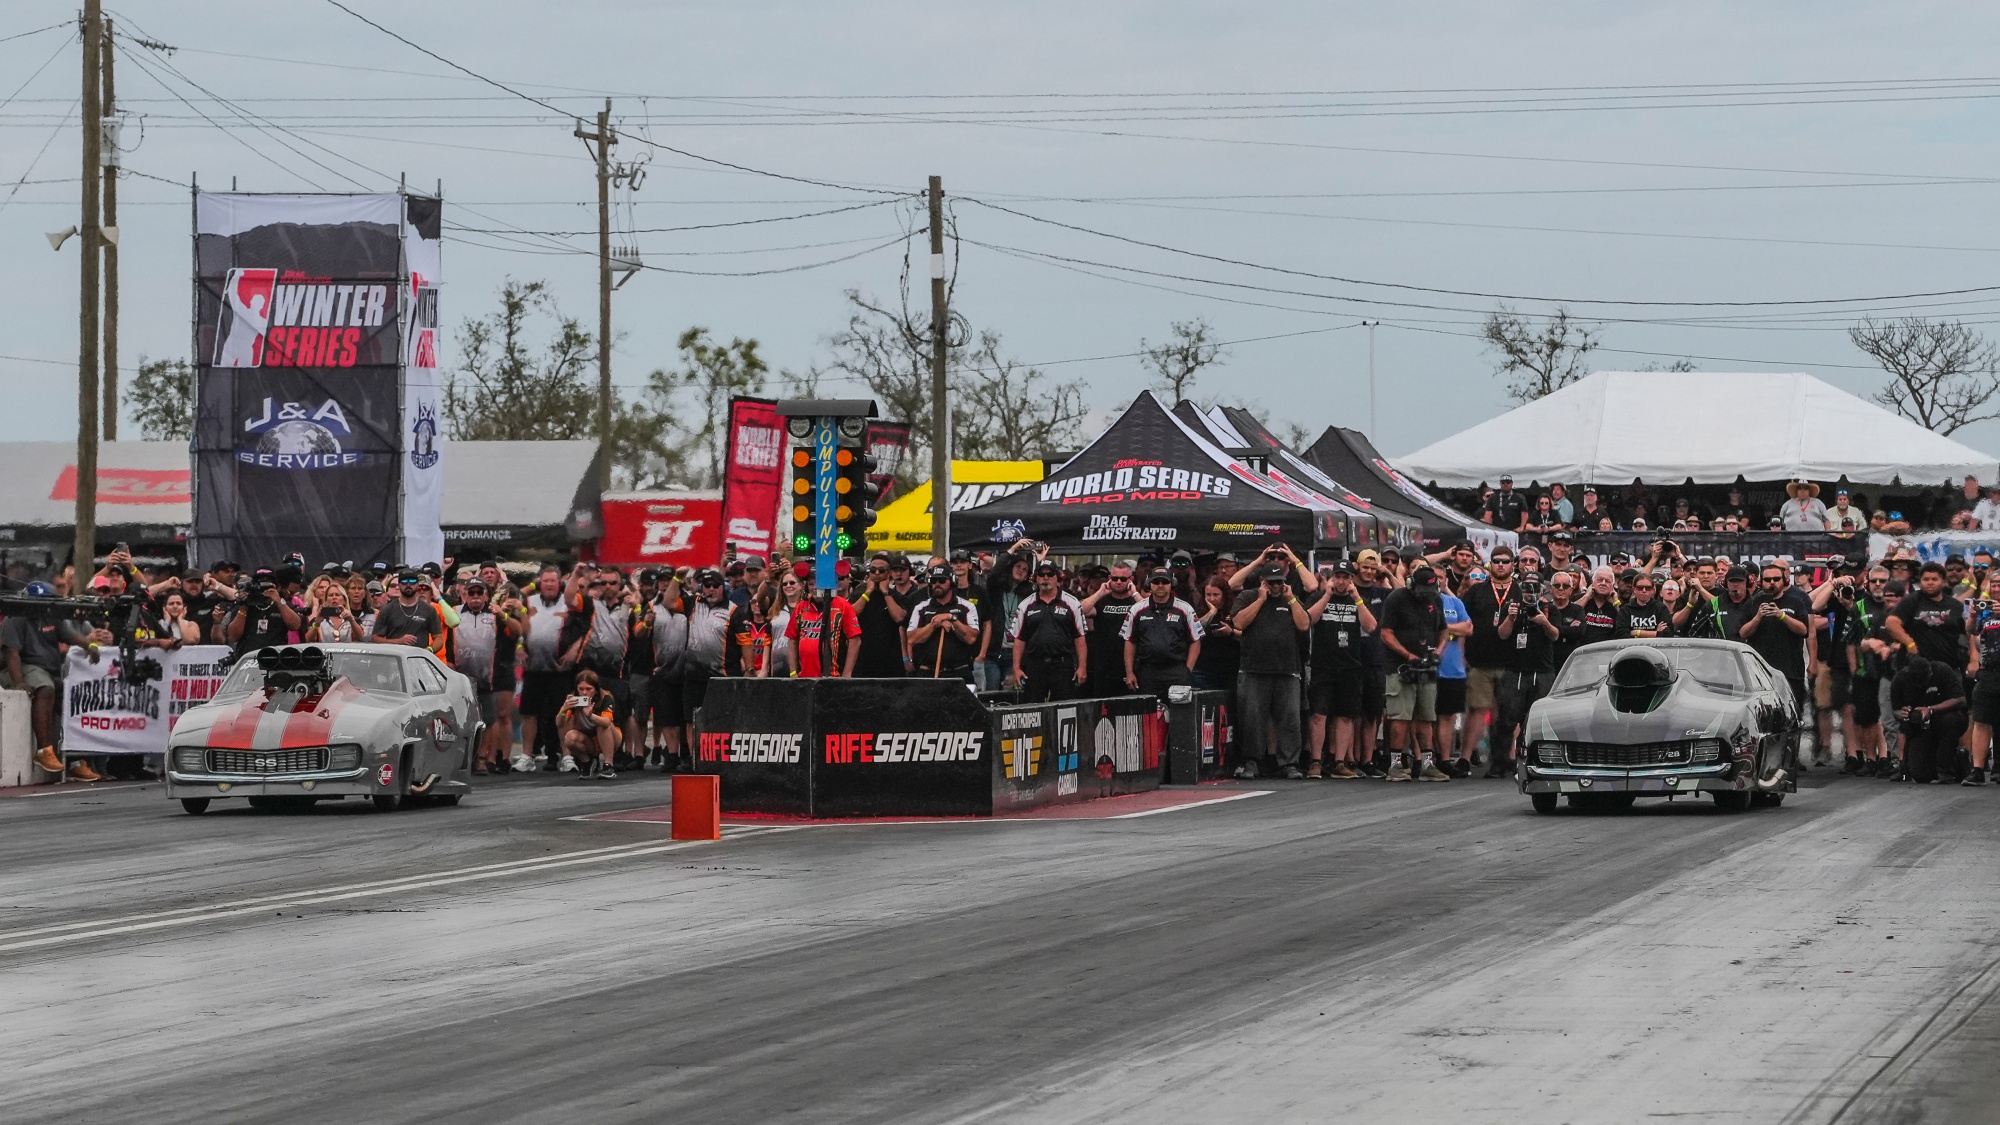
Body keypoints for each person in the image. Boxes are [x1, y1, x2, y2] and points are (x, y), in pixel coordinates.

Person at [1231, 562, 1312, 779]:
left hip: (1287, 669)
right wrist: (1260, 599)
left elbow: (1304, 625)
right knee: (1253, 720)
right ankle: (1252, 762)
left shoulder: (1290, 599)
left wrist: (1291, 599)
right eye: (1271, 582)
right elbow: (1239, 623)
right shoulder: (1248, 596)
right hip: (1254, 669)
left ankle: (1289, 763)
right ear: (1262, 581)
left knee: (1290, 719)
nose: (1276, 586)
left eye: (1279, 582)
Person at [1377, 564, 1450, 782]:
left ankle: (1428, 764)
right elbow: (1385, 633)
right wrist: (1407, 655)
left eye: (1429, 591)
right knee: (1400, 716)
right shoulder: (1396, 599)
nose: (1424, 595)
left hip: (1426, 666)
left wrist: (1438, 651)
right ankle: (1396, 765)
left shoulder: (1435, 600)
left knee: (1426, 716)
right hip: (1400, 667)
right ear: (1410, 584)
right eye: (1421, 591)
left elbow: (1443, 630)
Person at [1305, 561, 1376, 779]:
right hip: (1323, 664)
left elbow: (1371, 626)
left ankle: (1339, 761)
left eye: (1346, 577)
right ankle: (1315, 761)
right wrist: (1327, 595)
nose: (1341, 582)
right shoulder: (1319, 597)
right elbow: (1308, 620)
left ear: (1351, 579)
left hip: (1350, 665)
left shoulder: (1357, 599)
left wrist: (1357, 598)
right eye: (1338, 577)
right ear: (1331, 578)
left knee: (1346, 716)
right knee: (1319, 714)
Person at [1493, 562, 1561, 778]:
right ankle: (1501, 762)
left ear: (1542, 589)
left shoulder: (1550, 609)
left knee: (1538, 720)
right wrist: (1510, 617)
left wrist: (1543, 621)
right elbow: (1502, 635)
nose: (1529, 592)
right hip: (1516, 670)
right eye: (1526, 587)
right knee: (1507, 718)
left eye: (1534, 587)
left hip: (1542, 671)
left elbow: (1555, 636)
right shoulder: (1512, 607)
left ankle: (1536, 760)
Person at [1457, 546, 1515, 773]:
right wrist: (1462, 655)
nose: (1500, 565)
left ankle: (1506, 758)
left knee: (1507, 714)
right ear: (1490, 564)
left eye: (1505, 561)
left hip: (1510, 662)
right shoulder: (1476, 591)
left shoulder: (1519, 590)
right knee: (1477, 709)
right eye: (1496, 561)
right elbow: (1464, 624)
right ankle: (1464, 758)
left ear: (1513, 564)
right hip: (1479, 660)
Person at [1010, 560, 1088, 702]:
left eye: (1049, 574)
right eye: (1041, 574)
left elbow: (1080, 637)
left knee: (1064, 709)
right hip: (1034, 665)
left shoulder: (1072, 603)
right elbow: (1019, 639)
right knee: (1032, 709)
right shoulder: (1025, 605)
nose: (1045, 578)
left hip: (1063, 665)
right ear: (1035, 578)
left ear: (1057, 577)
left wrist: (1082, 666)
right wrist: (1016, 668)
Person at [1742, 562, 1814, 717]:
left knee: (1793, 716)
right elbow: (1742, 633)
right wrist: (1757, 618)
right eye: (1768, 580)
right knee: (1765, 717)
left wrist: (1781, 616)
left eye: (1776, 579)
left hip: (1790, 670)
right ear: (1761, 582)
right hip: (1761, 672)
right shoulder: (1753, 602)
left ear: (1785, 580)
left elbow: (1804, 630)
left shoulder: (1796, 601)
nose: (1772, 583)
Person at [1122, 569, 1202, 702]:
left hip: (1177, 670)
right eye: (1156, 582)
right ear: (1149, 583)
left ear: (1172, 584)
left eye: (1164, 582)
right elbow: (1130, 641)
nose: (1160, 585)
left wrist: (1187, 670)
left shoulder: (1185, 609)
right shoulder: (1137, 609)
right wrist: (1129, 672)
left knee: (1179, 711)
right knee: (1149, 712)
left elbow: (1195, 640)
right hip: (1147, 671)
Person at [518, 566, 570, 769]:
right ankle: (527, 756)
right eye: (545, 581)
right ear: (539, 583)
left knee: (563, 713)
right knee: (529, 713)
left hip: (560, 669)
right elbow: (517, 627)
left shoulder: (569, 602)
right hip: (533, 667)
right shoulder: (529, 601)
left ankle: (566, 756)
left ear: (560, 583)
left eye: (552, 581)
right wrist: (519, 647)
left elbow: (581, 627)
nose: (549, 584)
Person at [1892, 654, 1967, 784]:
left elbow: (1961, 700)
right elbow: (1895, 710)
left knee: (1949, 721)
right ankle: (1956, 762)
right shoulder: (1900, 679)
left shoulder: (1941, 670)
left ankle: (1946, 769)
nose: (1921, 686)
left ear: (1930, 674)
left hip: (1946, 719)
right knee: (1920, 775)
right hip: (1921, 726)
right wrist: (1903, 713)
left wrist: (1931, 710)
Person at [907, 565, 981, 682]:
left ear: (952, 581)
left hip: (958, 672)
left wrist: (951, 618)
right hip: (927, 673)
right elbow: (912, 639)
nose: (937, 584)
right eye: (933, 580)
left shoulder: (967, 607)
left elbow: (971, 638)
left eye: (941, 580)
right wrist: (934, 624)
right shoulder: (921, 608)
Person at [1887, 563, 1970, 667]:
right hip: (1915, 665)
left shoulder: (1955, 605)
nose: (1930, 583)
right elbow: (1891, 622)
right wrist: (1909, 643)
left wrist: (1973, 660)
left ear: (1943, 582)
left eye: (1934, 579)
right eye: (1926, 579)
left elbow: (1968, 632)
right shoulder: (1911, 600)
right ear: (1920, 582)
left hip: (1948, 665)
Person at [1080, 561, 1140, 695]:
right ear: (1109, 579)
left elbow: (1149, 614)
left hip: (1131, 666)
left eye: (1123, 579)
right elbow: (1080, 611)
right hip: (1104, 666)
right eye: (1114, 578)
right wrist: (1100, 593)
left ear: (1131, 579)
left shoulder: (1136, 602)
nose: (1118, 582)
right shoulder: (1102, 601)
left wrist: (1135, 594)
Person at [783, 578, 863, 679]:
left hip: (835, 676)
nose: (815, 588)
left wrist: (847, 674)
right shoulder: (801, 606)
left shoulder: (843, 605)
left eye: (818, 583)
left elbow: (855, 641)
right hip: (804, 678)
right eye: (811, 584)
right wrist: (793, 672)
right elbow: (792, 639)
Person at [851, 554, 912, 678]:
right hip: (862, 661)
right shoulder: (860, 592)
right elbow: (851, 615)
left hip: (890, 663)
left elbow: (899, 618)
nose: (877, 573)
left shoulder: (896, 596)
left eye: (881, 570)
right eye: (873, 570)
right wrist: (867, 592)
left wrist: (885, 592)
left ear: (889, 573)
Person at [557, 670, 620, 779]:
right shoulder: (574, 699)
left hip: (610, 738)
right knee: (569, 737)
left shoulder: (605, 697)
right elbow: (559, 723)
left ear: (595, 689)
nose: (584, 693)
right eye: (581, 689)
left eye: (588, 689)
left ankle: (608, 764)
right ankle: (587, 761)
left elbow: (606, 722)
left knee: (602, 725)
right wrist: (563, 709)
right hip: (588, 739)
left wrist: (591, 716)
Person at [227, 570, 302, 657]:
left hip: (275, 657)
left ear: (277, 587)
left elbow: (295, 625)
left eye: (267, 584)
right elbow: (233, 636)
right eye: (259, 583)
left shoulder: (282, 605)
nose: (263, 589)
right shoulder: (244, 605)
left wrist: (279, 601)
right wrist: (243, 607)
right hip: (248, 657)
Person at [1191, 579, 1240, 695]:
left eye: (1216, 595)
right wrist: (1212, 612)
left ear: (1224, 595)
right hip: (1204, 669)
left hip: (1230, 669)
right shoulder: (1198, 611)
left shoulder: (1234, 610)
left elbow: (1245, 634)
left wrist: (1230, 632)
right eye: (1208, 595)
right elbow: (1194, 629)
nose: (1212, 599)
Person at [724, 586, 777, 678]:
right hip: (745, 670)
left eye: (760, 602)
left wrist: (764, 669)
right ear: (749, 604)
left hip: (767, 671)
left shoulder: (773, 624)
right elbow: (737, 647)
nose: (757, 604)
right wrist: (746, 669)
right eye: (753, 602)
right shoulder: (743, 624)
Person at [1616, 574, 1673, 639]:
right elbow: (1621, 635)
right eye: (1640, 588)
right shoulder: (1625, 610)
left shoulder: (1661, 608)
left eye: (1648, 588)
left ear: (1653, 590)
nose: (1644, 590)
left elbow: (1668, 634)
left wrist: (1637, 632)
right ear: (1634, 590)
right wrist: (1655, 633)